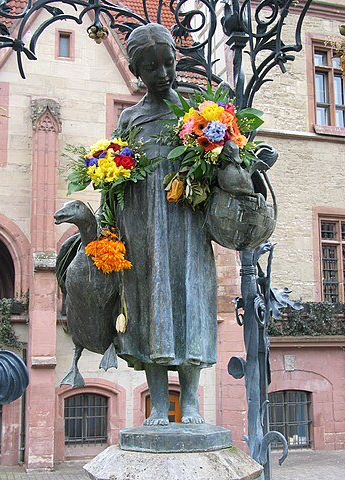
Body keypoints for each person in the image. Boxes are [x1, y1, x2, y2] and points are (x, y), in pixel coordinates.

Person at [114, 23, 217, 426]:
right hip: (142, 226)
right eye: (151, 67)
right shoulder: (130, 118)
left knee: (189, 299)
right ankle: (159, 404)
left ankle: (189, 402)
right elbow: (113, 174)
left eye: (167, 62)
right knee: (148, 304)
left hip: (188, 223)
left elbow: (221, 159)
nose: (162, 73)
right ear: (138, 73)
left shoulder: (196, 111)